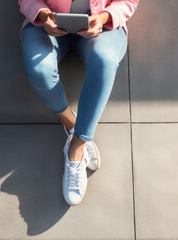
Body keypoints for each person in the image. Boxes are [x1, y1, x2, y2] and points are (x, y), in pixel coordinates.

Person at [18, 0, 139, 205]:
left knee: (105, 61)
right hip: (46, 25)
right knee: (40, 71)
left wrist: (103, 18)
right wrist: (44, 15)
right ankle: (70, 122)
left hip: (103, 28)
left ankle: (77, 146)